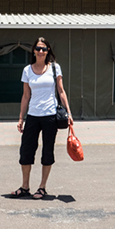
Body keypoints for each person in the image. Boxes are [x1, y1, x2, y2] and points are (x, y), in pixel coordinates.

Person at [11, 37, 73, 199]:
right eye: (38, 48)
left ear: (48, 52)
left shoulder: (54, 68)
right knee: (26, 151)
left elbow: (61, 91)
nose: (41, 52)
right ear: (33, 51)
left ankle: (42, 187)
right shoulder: (27, 70)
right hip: (32, 115)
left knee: (47, 151)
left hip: (50, 116)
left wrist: (69, 112)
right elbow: (26, 96)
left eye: (44, 49)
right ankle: (25, 187)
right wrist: (20, 118)